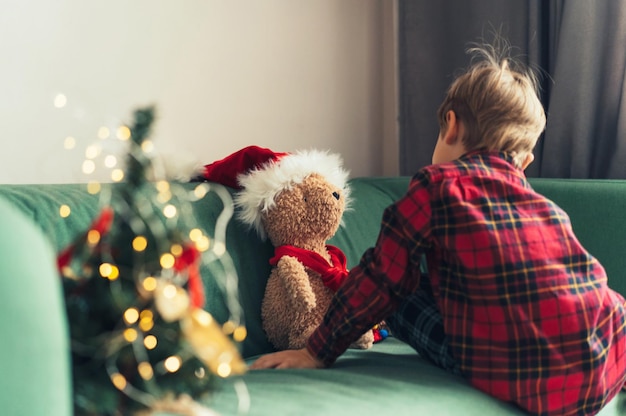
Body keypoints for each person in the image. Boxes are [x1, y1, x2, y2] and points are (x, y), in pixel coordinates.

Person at [250, 42, 626, 415]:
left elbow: (382, 278)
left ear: (451, 125)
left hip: (519, 374)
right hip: (602, 368)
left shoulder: (438, 186)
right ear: (524, 162)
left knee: (397, 292)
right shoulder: (547, 211)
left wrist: (316, 350)